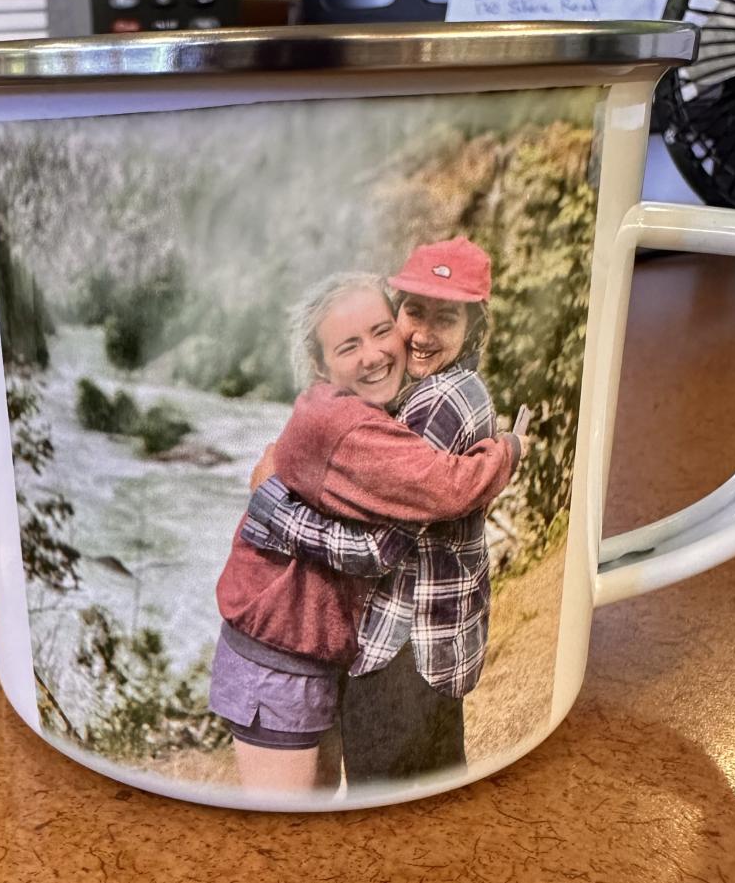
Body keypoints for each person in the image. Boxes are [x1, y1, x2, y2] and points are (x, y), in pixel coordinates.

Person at [208, 269, 521, 793]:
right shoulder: (348, 425)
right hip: (278, 657)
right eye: (349, 345)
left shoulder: (376, 410)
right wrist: (507, 451)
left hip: (316, 652)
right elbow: (425, 506)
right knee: (290, 832)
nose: (376, 354)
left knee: (325, 813)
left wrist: (271, 502)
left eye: (380, 330)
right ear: (319, 365)